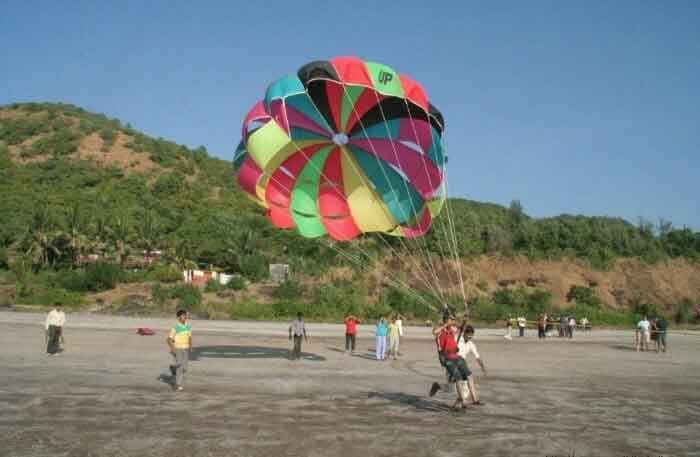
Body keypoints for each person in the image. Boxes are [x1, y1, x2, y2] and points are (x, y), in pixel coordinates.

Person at [430, 318, 471, 409]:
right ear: (446, 321)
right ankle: (460, 400)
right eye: (450, 320)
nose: (452, 322)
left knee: (458, 382)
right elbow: (434, 332)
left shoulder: (451, 329)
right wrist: (446, 325)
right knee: (455, 383)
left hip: (455, 357)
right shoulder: (440, 330)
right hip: (446, 359)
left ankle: (458, 402)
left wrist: (464, 321)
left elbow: (460, 328)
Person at [457, 324, 487, 407]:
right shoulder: (458, 339)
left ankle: (458, 404)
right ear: (464, 334)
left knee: (464, 386)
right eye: (469, 335)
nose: (470, 337)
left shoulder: (471, 344)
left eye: (471, 336)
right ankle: (475, 399)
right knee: (469, 377)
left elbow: (477, 357)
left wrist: (482, 367)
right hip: (455, 361)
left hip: (462, 363)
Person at [167, 309, 192, 391]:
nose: (184, 317)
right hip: (178, 348)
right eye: (182, 315)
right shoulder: (175, 327)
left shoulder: (189, 326)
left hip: (186, 348)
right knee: (180, 367)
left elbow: (189, 337)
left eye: (185, 315)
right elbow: (169, 339)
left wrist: (190, 346)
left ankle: (173, 368)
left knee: (185, 368)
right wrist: (173, 349)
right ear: (178, 317)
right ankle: (177, 385)